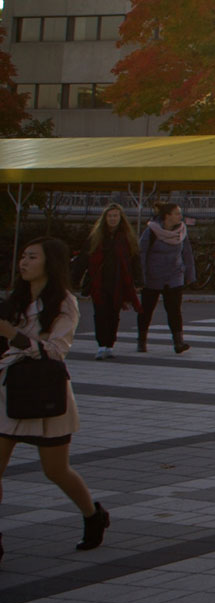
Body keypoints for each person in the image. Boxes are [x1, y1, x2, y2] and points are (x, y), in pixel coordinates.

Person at [1, 238, 110, 556]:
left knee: (55, 470)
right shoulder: (16, 299)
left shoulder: (64, 302)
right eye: (22, 256)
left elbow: (55, 351)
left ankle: (93, 515)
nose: (24, 262)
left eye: (32, 257)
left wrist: (14, 336)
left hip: (45, 392)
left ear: (50, 263)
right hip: (8, 390)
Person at [83, 203, 140, 360]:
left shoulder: (127, 237)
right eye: (110, 216)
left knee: (114, 314)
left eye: (115, 216)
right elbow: (85, 257)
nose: (113, 219)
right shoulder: (96, 236)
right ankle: (102, 344)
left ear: (121, 218)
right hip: (99, 282)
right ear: (105, 218)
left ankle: (110, 344)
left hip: (118, 281)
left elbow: (134, 259)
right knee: (100, 314)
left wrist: (138, 278)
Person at [136, 202, 195, 354]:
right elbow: (141, 254)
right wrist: (140, 277)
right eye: (176, 213)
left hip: (174, 276)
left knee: (174, 310)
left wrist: (190, 274)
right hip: (153, 277)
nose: (180, 216)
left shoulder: (181, 231)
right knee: (146, 310)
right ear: (167, 216)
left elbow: (187, 253)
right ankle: (141, 341)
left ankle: (178, 342)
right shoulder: (152, 231)